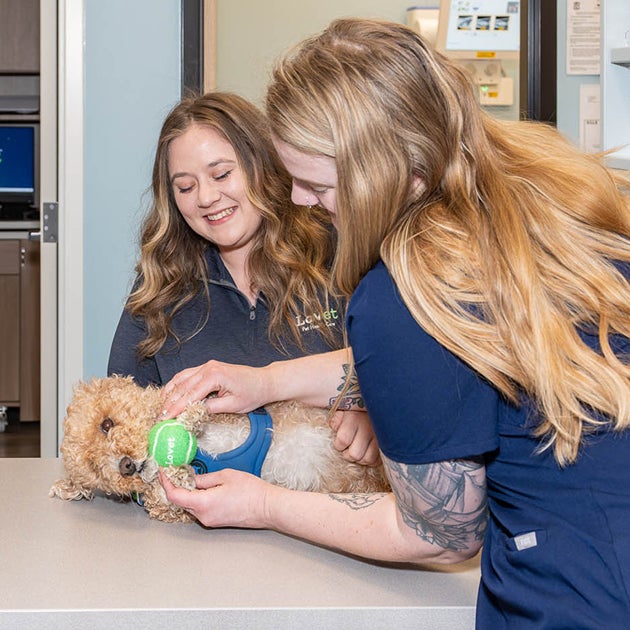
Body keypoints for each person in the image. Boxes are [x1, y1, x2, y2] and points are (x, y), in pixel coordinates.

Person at [159, 19, 630, 628]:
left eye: (316, 183)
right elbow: (464, 357)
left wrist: (266, 505)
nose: (300, 200)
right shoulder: (550, 200)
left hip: (575, 598)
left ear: (384, 172)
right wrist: (269, 382)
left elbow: (440, 532)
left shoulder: (402, 294)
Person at [107, 91, 379, 465]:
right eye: (185, 187)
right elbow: (120, 419)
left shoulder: (338, 254)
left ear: (263, 166)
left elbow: (399, 366)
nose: (205, 197)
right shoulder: (161, 285)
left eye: (221, 174)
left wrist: (369, 410)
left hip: (327, 504)